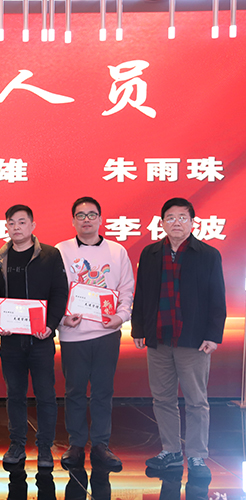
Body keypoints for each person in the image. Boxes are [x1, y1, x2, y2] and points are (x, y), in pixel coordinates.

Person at [131, 198, 226, 477]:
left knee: (196, 400)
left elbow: (217, 297)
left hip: (193, 340)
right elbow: (141, 294)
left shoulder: (207, 254)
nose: (176, 222)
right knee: (162, 399)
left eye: (182, 217)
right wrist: (138, 329)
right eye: (170, 218)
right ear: (161, 223)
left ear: (192, 222)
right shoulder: (150, 253)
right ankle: (171, 450)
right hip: (159, 337)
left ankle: (197, 455)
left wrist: (213, 335)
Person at [55, 197, 134, 471]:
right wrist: (62, 319)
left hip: (106, 333)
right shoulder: (60, 251)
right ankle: (76, 444)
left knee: (103, 391)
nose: (86, 219)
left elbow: (126, 288)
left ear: (101, 219)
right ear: (73, 220)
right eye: (80, 215)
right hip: (72, 333)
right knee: (74, 391)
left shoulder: (117, 251)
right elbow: (54, 290)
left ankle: (101, 444)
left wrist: (121, 317)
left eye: (91, 214)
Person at [0, 204, 68, 469]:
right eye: (11, 223)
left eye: (22, 222)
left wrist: (51, 324)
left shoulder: (50, 255)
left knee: (46, 394)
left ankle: (45, 447)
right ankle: (17, 444)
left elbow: (60, 292)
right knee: (15, 394)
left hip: (40, 338)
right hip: (11, 339)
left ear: (33, 226)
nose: (17, 227)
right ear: (6, 226)